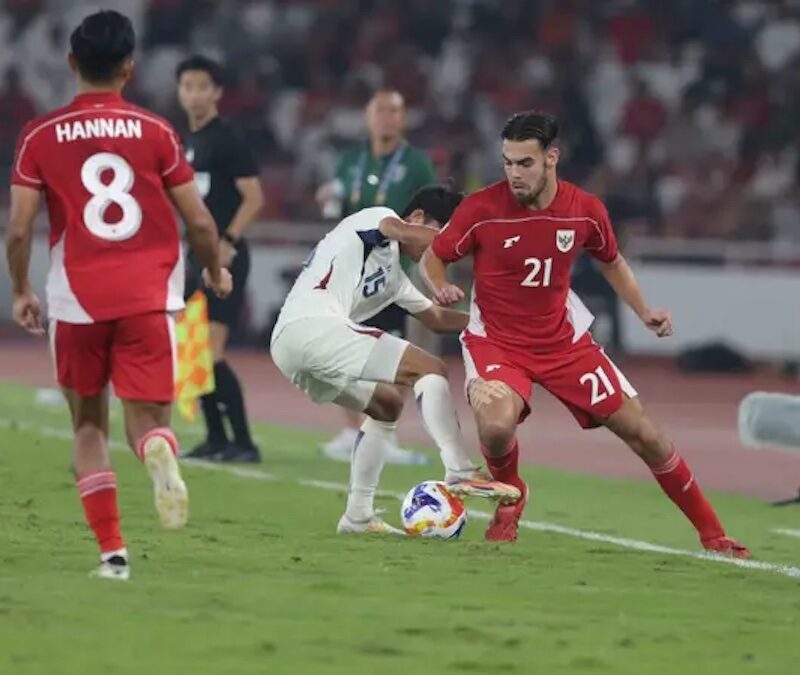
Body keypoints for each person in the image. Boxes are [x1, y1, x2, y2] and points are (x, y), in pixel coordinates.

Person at [420, 111, 749, 558]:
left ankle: (712, 533)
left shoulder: (585, 210)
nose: (514, 174)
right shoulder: (481, 210)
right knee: (495, 427)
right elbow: (433, 256)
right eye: (507, 163)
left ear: (551, 158)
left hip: (564, 342)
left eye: (525, 163)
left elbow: (611, 261)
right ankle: (511, 494)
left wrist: (644, 311)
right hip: (497, 341)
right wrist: (440, 285)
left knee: (645, 435)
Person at [6, 10, 232, 581]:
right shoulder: (158, 131)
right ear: (130, 68)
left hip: (77, 297)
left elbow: (18, 229)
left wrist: (21, 289)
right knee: (148, 419)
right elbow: (201, 223)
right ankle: (158, 447)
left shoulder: (39, 134)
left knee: (87, 427)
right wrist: (215, 272)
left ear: (71, 62)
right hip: (149, 295)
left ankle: (112, 554)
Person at [271, 186, 521, 534]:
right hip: (310, 326)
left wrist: (493, 325)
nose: (446, 251)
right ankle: (459, 468)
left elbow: (435, 318)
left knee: (386, 404)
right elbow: (400, 231)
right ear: (418, 218)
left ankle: (357, 517)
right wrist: (457, 241)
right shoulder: (375, 219)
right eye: (444, 234)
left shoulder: (393, 277)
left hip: (294, 343)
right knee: (431, 368)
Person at [316, 89, 438, 462]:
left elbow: (430, 211)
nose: (386, 117)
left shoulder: (416, 163)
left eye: (394, 111)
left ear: (403, 119)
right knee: (342, 348)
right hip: (351, 269)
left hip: (395, 273)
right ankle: (351, 430)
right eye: (380, 110)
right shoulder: (350, 159)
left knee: (392, 354)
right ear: (368, 116)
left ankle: (383, 435)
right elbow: (337, 204)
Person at [175, 55, 265, 463]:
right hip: (198, 256)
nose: (194, 93)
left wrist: (228, 239)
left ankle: (243, 442)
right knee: (194, 352)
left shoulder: (228, 137)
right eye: (187, 86)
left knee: (212, 352)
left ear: (216, 93)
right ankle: (215, 438)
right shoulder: (187, 142)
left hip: (225, 258)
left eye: (201, 86)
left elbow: (254, 197)